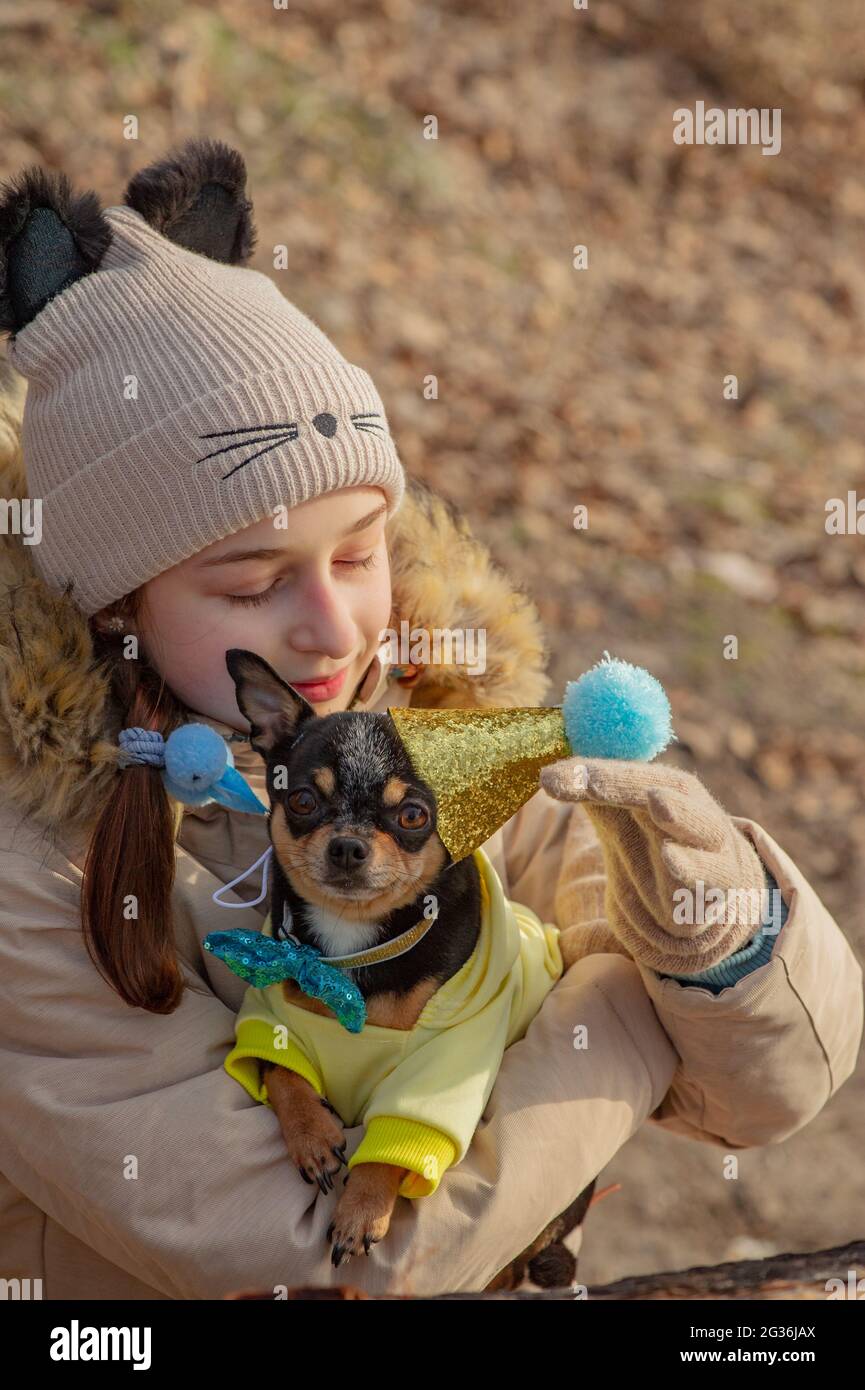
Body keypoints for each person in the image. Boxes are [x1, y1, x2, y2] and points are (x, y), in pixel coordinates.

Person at [0, 141, 860, 1301]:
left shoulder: (450, 738)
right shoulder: (35, 869)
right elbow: (307, 1254)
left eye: (358, 553)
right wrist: (619, 1010)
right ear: (111, 606)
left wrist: (719, 933)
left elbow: (774, 1091)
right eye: (252, 584)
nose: (328, 625)